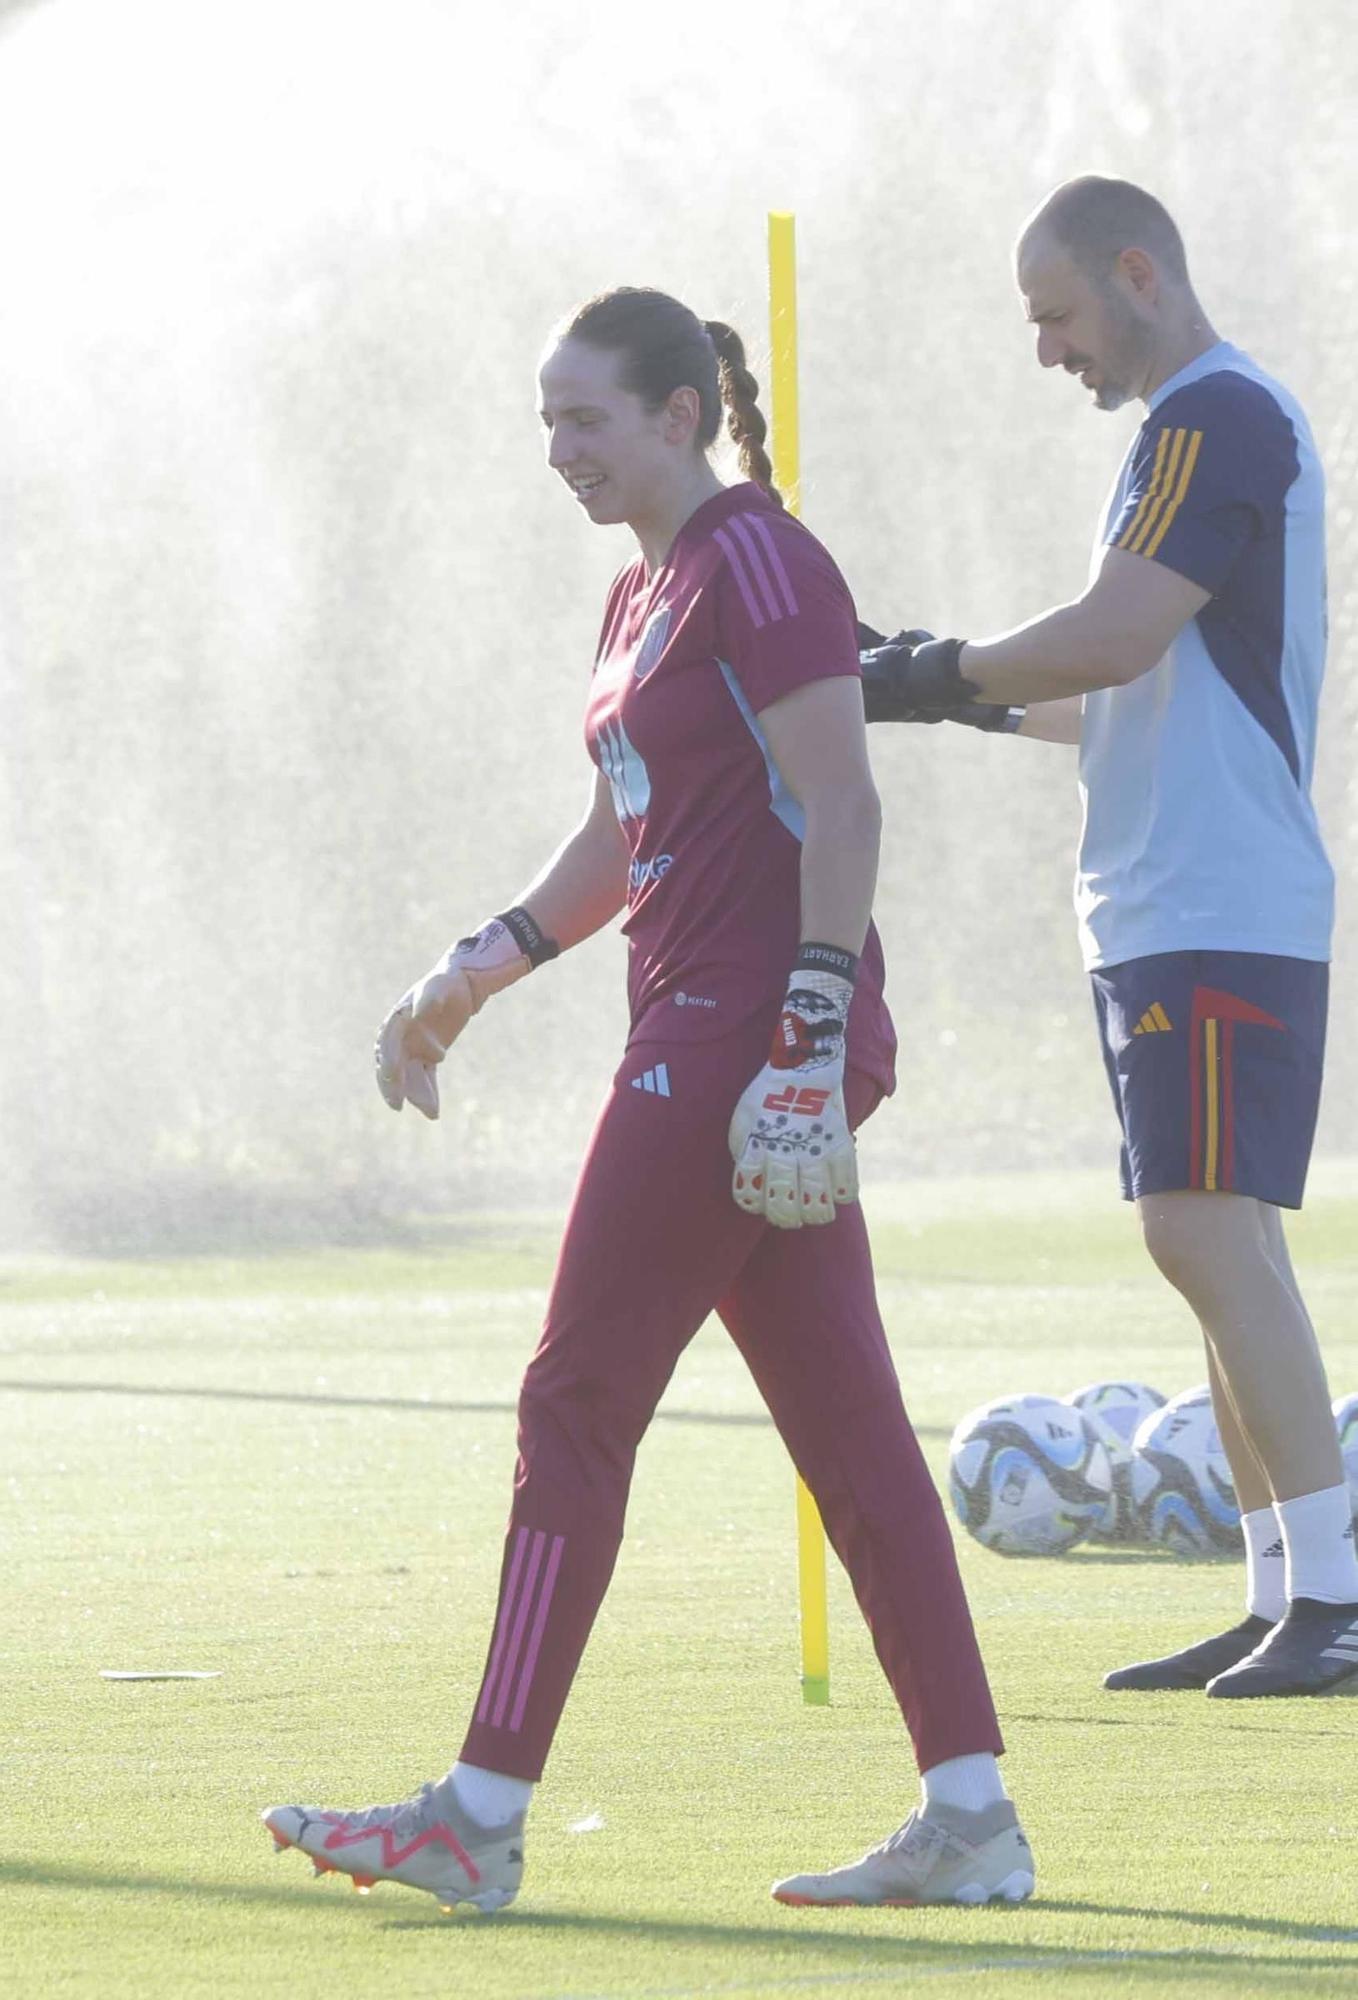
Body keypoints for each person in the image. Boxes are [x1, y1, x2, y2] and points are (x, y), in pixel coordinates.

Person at [261, 289, 1034, 1912]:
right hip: (701, 1024)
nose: (558, 451)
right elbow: (628, 829)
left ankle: (476, 1813)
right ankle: (971, 1815)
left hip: (738, 1036)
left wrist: (810, 1033)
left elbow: (841, 796)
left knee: (573, 1403)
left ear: (680, 414)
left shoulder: (759, 558)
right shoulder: (638, 599)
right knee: (847, 1432)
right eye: (544, 422)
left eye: (585, 418)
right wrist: (476, 966)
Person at [862, 175, 1358, 1698]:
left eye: (1055, 314)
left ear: (1136, 273)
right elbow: (1110, 689)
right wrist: (940, 686)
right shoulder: (1187, 431)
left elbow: (1114, 629)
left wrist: (910, 671)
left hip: (1215, 894)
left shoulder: (1211, 417)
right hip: (1166, 900)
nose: (1045, 352)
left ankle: (1335, 1599)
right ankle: (1283, 1589)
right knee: (1216, 1242)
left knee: (1196, 1229)